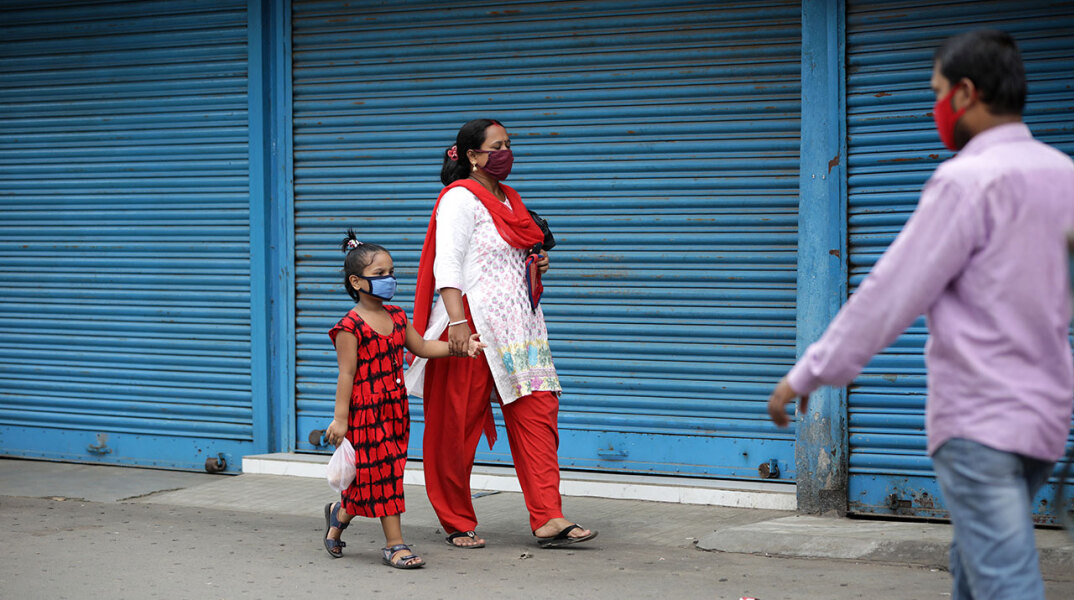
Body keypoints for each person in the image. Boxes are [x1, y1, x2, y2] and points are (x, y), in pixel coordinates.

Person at [766, 30, 1074, 599]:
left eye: (936, 92)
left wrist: (806, 372)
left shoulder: (967, 181)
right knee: (976, 562)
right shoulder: (1062, 174)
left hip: (980, 419)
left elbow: (891, 294)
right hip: (1045, 420)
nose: (935, 106)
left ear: (964, 93)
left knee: (1004, 579)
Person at [405, 119, 598, 549]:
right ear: (472, 156)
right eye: (497, 145)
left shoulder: (511, 198)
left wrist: (537, 264)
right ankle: (456, 519)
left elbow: (520, 248)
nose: (506, 152)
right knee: (456, 426)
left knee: (539, 417)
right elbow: (447, 265)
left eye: (509, 144)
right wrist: (455, 324)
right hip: (472, 323)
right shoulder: (459, 199)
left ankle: (549, 517)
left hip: (521, 326)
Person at [322, 230, 485, 568]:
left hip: (395, 409)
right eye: (379, 275)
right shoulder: (349, 327)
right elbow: (346, 375)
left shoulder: (396, 316)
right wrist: (340, 419)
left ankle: (339, 515)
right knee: (385, 476)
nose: (389, 279)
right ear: (356, 281)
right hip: (365, 412)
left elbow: (422, 348)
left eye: (391, 272)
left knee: (379, 473)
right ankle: (395, 545)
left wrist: (462, 347)